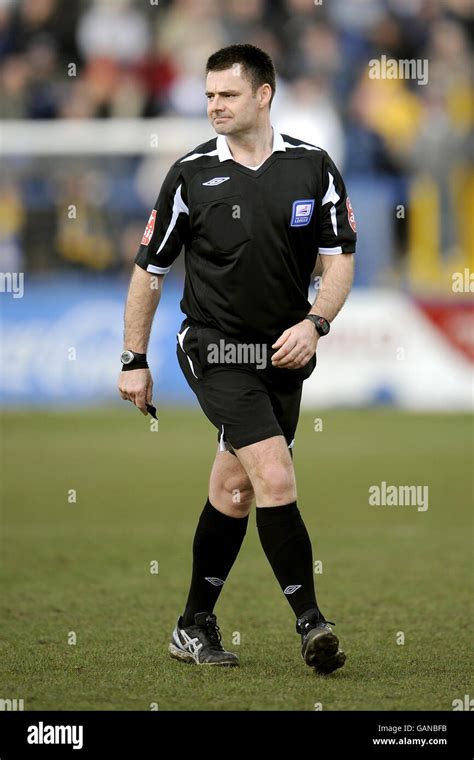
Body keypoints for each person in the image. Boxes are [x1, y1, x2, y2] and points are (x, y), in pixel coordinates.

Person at [118, 44, 356, 674]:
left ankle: (192, 624)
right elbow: (149, 272)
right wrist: (133, 356)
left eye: (226, 94)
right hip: (215, 349)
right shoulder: (190, 175)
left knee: (235, 488)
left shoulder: (314, 168)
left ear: (264, 94)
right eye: (208, 95)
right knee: (274, 475)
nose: (213, 106)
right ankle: (313, 625)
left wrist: (315, 322)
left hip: (284, 353)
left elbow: (339, 261)